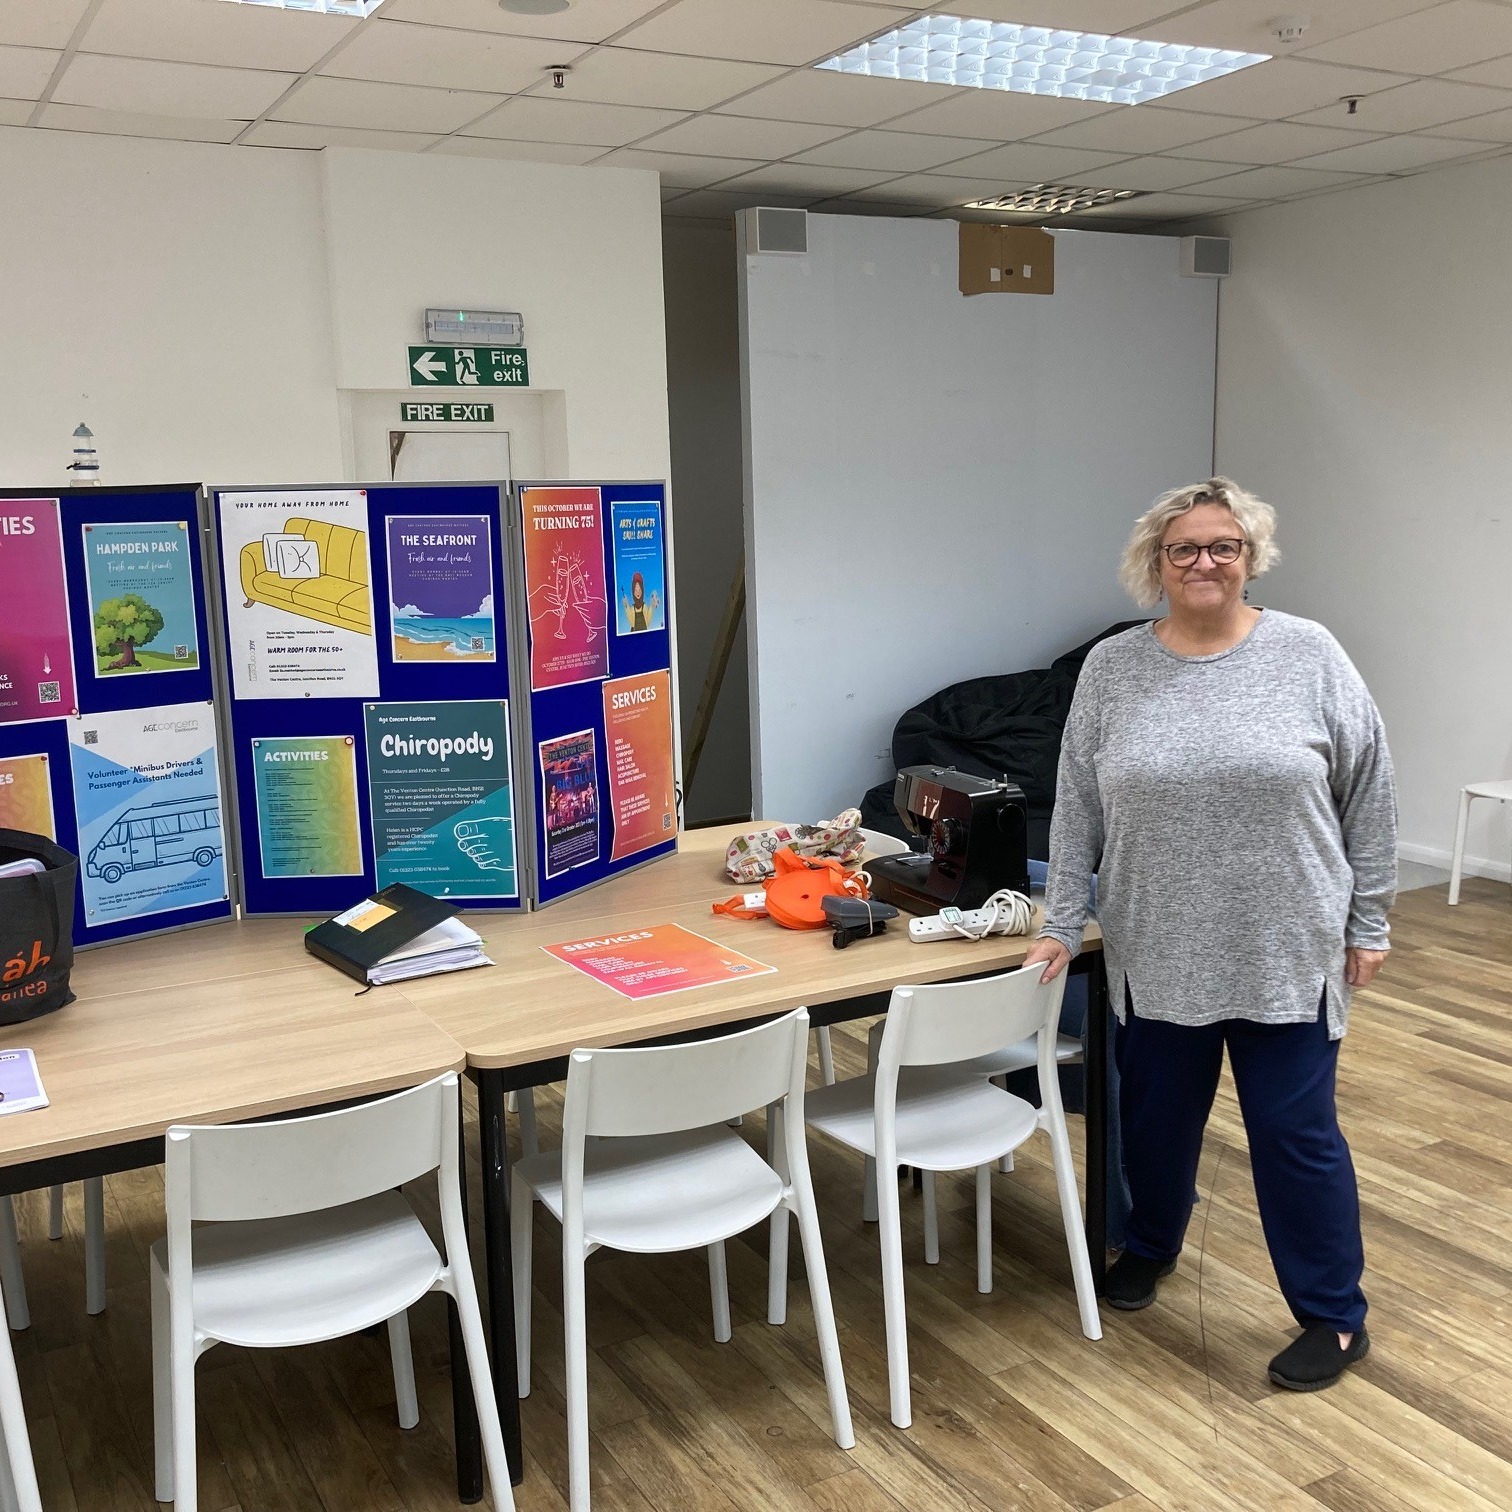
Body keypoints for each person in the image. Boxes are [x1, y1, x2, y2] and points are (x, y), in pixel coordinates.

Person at [1023, 477, 1396, 1392]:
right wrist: (1061, 923)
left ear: (1249, 558)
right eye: (1184, 548)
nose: (1204, 561)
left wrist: (1371, 919)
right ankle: (1151, 1246)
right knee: (1155, 1125)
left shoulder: (1309, 653)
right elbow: (1076, 806)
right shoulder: (1113, 668)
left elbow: (1369, 791)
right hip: (1155, 947)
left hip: (1285, 948)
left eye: (1223, 545)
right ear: (1156, 563)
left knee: (1295, 1137)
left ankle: (1334, 1317)